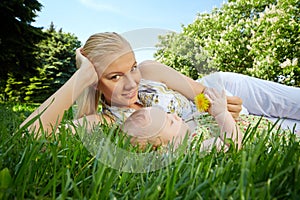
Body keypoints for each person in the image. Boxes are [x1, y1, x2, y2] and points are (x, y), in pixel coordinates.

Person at [20, 32, 300, 137]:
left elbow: (203, 93)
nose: (131, 83)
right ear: (95, 83)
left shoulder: (151, 69)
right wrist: (80, 77)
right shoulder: (104, 121)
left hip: (228, 92)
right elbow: (27, 138)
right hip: (237, 131)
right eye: (115, 77)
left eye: (131, 68)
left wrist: (225, 105)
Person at [122, 88, 242, 151]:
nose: (174, 116)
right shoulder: (195, 146)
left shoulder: (186, 125)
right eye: (170, 122)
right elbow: (232, 144)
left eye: (167, 114)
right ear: (164, 147)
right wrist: (222, 113)